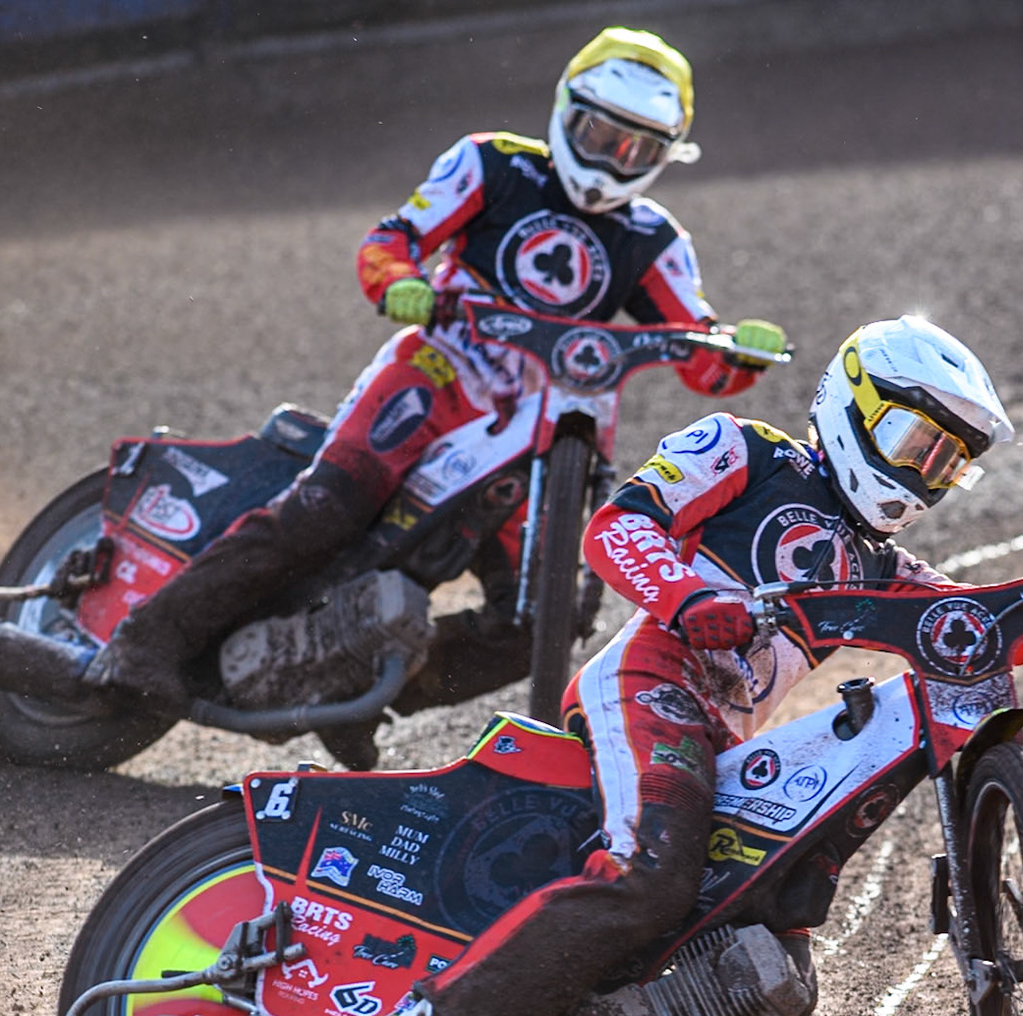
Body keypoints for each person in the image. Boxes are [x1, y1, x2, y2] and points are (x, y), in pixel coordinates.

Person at [355, 314, 1023, 1016]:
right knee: (651, 874)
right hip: (650, 677)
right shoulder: (744, 451)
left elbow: (966, 629)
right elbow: (617, 525)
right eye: (912, 439)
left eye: (946, 461)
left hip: (716, 731)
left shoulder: (881, 563)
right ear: (850, 404)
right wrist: (685, 597)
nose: (920, 472)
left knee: (766, 929)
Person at [80, 27, 788, 766]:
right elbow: (390, 241)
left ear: (665, 157)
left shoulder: (657, 239)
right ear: (564, 110)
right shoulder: (490, 163)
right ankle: (145, 639)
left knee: (545, 616)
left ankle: (356, 689)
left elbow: (701, 356)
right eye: (600, 134)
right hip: (439, 371)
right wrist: (402, 284)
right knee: (328, 504)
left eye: (639, 149)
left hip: (546, 426)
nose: (613, 160)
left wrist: (742, 353)